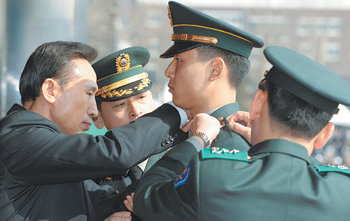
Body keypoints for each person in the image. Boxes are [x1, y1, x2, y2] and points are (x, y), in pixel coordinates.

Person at [0, 41, 220, 220]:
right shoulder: (19, 136)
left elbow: (103, 202)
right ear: (50, 90)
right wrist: (182, 111)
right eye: (88, 94)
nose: (94, 111)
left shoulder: (47, 153)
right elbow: (114, 152)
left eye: (141, 97)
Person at [132, 45, 350, 220]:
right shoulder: (343, 193)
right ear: (325, 134)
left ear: (256, 104)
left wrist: (198, 140)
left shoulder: (211, 173)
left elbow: (147, 196)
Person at [143, 0, 264, 171]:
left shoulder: (231, 148)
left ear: (215, 70)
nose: (169, 71)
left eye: (179, 60)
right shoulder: (182, 132)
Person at [85, 46, 157, 220]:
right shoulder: (88, 172)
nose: (136, 111)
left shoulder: (185, 154)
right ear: (98, 119)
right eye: (120, 105)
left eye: (141, 98)